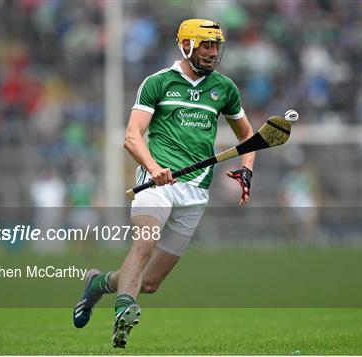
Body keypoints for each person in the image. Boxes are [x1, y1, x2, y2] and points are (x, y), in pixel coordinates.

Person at [72, 19, 256, 348]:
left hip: (196, 190)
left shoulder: (224, 89)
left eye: (216, 46)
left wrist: (246, 169)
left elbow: (248, 138)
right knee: (143, 245)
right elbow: (132, 137)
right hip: (156, 183)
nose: (213, 52)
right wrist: (154, 167)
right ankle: (124, 310)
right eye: (206, 45)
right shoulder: (158, 83)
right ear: (186, 45)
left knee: (152, 281)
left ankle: (98, 284)